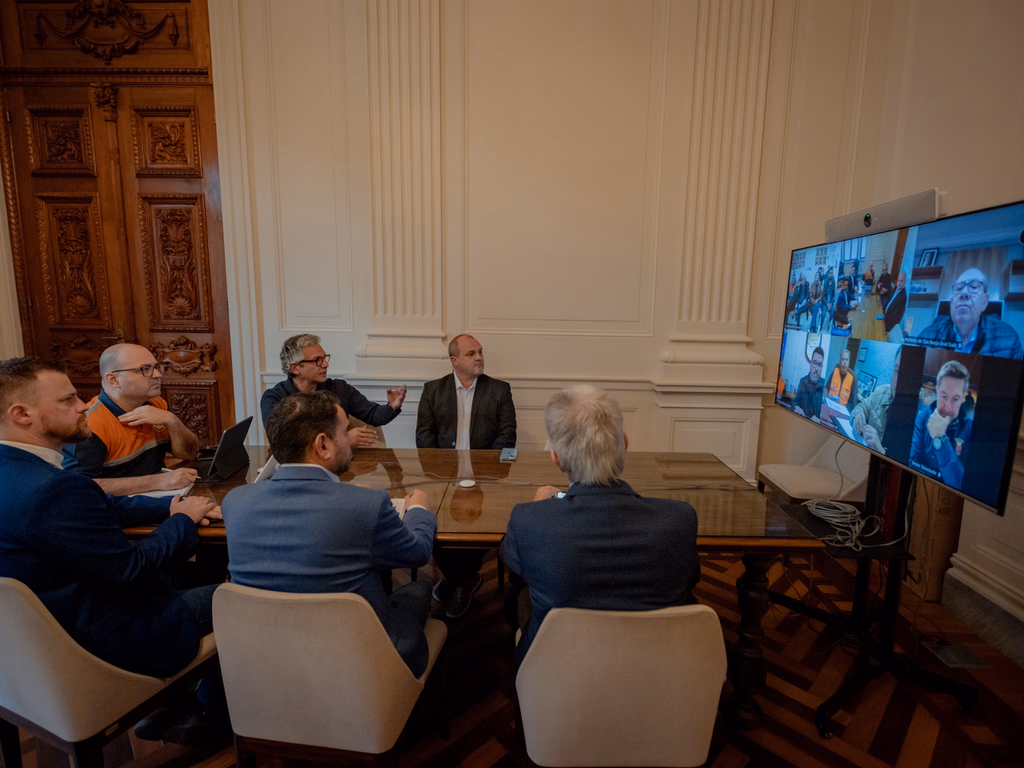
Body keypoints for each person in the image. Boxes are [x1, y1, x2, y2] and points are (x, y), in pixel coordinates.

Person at [0, 358, 225, 743]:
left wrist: (170, 509)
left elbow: (100, 510)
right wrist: (182, 523)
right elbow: (128, 572)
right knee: (241, 594)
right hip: (104, 637)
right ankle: (211, 718)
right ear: (22, 414)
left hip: (24, 650)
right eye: (68, 399)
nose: (84, 405)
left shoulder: (22, 474)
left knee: (197, 571)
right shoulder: (53, 490)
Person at [223, 391, 437, 675]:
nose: (349, 440)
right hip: (360, 666)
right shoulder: (365, 506)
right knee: (421, 589)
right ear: (323, 445)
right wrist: (418, 510)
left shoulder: (234, 502)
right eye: (345, 432)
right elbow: (418, 552)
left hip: (263, 663)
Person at [500, 385, 699, 664]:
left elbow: (514, 562)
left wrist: (538, 508)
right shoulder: (680, 519)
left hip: (555, 676)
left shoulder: (528, 520)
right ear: (625, 444)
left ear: (556, 458)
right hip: (659, 671)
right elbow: (690, 579)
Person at [417, 333, 517, 617]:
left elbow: (507, 436)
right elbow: (424, 437)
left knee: (478, 523)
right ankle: (465, 578)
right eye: (471, 353)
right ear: (454, 360)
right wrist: (443, 472)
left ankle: (459, 579)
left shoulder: (499, 390)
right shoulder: (433, 390)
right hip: (441, 475)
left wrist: (482, 471)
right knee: (435, 522)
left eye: (480, 352)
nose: (479, 358)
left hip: (485, 477)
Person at [61, 344, 200, 494]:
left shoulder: (157, 404)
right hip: (116, 510)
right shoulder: (89, 425)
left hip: (155, 498)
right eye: (145, 369)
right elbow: (79, 489)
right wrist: (156, 481)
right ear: (113, 379)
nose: (157, 375)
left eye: (155, 367)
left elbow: (189, 454)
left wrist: (172, 421)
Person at [260, 334, 407, 446]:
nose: (325, 364)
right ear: (295, 368)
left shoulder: (339, 388)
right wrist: (343, 440)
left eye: (325, 358)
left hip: (340, 467)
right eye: (318, 360)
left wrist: (392, 407)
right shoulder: (274, 398)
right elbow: (285, 442)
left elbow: (374, 415)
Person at [914, 269, 1023, 359]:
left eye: (974, 287)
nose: (964, 293)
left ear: (984, 301)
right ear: (951, 303)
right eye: (959, 288)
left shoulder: (1010, 339)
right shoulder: (927, 335)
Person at [910, 360, 972, 490]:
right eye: (944, 396)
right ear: (937, 391)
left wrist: (940, 438)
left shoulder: (969, 429)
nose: (948, 407)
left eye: (955, 399)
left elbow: (960, 484)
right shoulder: (923, 417)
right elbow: (911, 460)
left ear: (962, 398)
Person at [851, 348, 900, 453]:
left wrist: (880, 452)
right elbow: (862, 406)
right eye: (897, 371)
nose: (899, 381)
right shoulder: (880, 392)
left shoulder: (920, 418)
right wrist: (857, 416)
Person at [792, 346, 825, 422]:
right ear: (810, 363)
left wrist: (819, 419)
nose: (816, 368)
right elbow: (794, 403)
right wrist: (797, 408)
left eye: (820, 364)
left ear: (822, 367)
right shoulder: (803, 381)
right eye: (814, 363)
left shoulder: (824, 385)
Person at [883, 271, 908, 342]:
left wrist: (885, 317)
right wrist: (883, 310)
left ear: (905, 282)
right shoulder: (895, 288)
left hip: (889, 322)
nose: (899, 283)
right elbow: (888, 300)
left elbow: (896, 316)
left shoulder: (903, 296)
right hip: (884, 315)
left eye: (902, 281)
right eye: (899, 280)